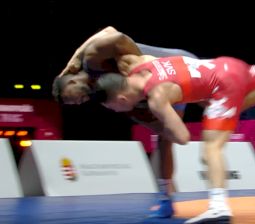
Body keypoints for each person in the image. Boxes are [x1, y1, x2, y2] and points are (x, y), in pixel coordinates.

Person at [94, 25, 255, 223]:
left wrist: (161, 123)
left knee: (211, 149)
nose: (117, 111)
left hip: (221, 87)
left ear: (122, 97)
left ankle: (219, 206)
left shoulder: (156, 98)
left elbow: (182, 137)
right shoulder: (141, 64)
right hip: (225, 65)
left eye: (114, 107)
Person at [51, 26, 197, 218]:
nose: (78, 102)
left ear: (70, 82)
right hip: (170, 87)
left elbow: (114, 33)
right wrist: (161, 125)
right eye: (74, 104)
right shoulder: (105, 96)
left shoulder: (91, 61)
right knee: (164, 139)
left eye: (72, 98)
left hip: (177, 64)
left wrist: (142, 70)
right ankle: (166, 199)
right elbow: (142, 118)